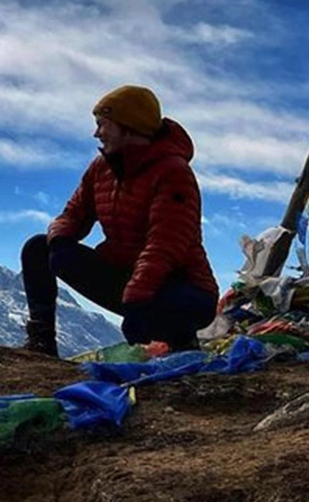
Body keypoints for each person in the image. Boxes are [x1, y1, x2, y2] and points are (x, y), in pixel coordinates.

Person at [21, 85, 219, 358]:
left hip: (184, 289)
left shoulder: (173, 172)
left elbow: (165, 245)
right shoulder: (102, 168)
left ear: (128, 126)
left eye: (103, 124)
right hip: (129, 277)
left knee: (167, 309)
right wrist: (62, 238)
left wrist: (137, 299)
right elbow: (74, 212)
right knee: (40, 248)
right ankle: (42, 342)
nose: (97, 133)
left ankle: (180, 341)